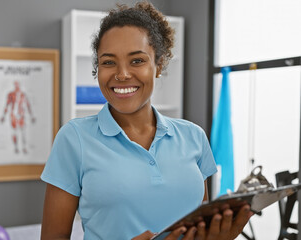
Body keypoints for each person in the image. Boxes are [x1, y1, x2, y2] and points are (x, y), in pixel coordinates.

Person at [41, 2, 252, 239]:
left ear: (158, 65)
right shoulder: (74, 138)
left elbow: (198, 227)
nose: (121, 74)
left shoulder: (193, 136)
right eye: (108, 62)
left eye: (137, 60)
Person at [0, 81, 35, 154]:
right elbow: (7, 105)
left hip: (21, 114)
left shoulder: (23, 95)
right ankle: (16, 147)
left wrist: (31, 116)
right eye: (16, 85)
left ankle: (24, 147)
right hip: (13, 115)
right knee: (14, 131)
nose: (17, 87)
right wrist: (3, 116)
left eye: (18, 85)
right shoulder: (11, 94)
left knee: (23, 132)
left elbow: (28, 105)